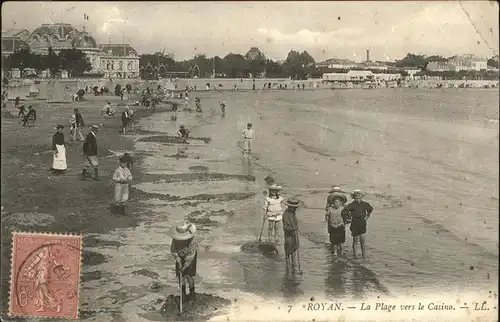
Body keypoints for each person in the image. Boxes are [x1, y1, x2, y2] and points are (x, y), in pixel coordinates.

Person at [341, 190, 373, 259]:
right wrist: (348, 219)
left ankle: (364, 256)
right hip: (354, 223)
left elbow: (370, 209)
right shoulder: (352, 205)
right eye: (356, 198)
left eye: (359, 198)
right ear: (354, 197)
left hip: (362, 222)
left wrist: (367, 216)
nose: (358, 199)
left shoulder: (365, 204)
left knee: (362, 241)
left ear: (361, 197)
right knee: (355, 240)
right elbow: (344, 211)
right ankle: (355, 256)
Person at [171, 223, 198, 302]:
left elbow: (191, 255)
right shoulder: (175, 239)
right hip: (179, 257)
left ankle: (192, 293)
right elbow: (173, 249)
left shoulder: (193, 240)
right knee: (180, 275)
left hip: (190, 258)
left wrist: (185, 266)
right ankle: (183, 294)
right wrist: (178, 260)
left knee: (189, 275)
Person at [325, 188, 348, 256]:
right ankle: (335, 250)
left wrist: (343, 223)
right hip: (332, 224)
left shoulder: (343, 208)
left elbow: (346, 218)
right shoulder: (330, 203)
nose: (337, 203)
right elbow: (326, 212)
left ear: (341, 202)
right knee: (333, 239)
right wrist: (329, 221)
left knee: (341, 240)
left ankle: (341, 251)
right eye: (335, 202)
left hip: (340, 225)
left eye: (338, 202)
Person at [282, 197, 301, 275]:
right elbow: (285, 226)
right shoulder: (286, 214)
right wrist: (293, 229)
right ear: (290, 207)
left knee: (294, 249)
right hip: (289, 235)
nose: (295, 209)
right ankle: (288, 266)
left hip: (294, 235)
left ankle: (294, 265)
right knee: (288, 251)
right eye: (294, 208)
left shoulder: (292, 213)